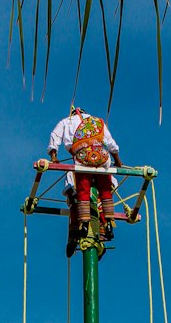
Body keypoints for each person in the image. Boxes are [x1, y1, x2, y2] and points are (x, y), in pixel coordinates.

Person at [46, 104, 121, 247]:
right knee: (105, 191)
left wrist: (54, 157)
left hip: (82, 159)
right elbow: (111, 143)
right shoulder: (97, 121)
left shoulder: (65, 122)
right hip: (102, 158)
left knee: (82, 192)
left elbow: (54, 138)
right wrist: (117, 161)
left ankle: (83, 224)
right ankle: (108, 223)